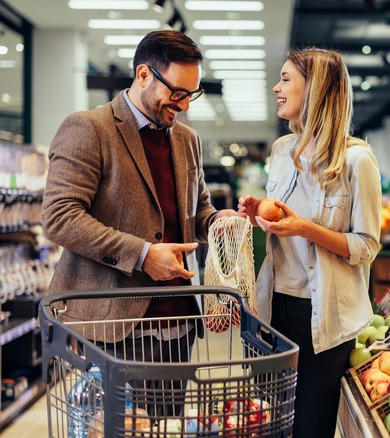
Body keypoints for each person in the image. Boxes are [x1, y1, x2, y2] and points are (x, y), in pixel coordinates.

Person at [42, 30, 243, 418]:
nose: (184, 105)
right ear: (144, 74)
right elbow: (59, 216)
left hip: (178, 323)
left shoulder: (188, 140)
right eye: (178, 92)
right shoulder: (90, 129)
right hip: (114, 326)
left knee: (164, 426)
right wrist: (143, 254)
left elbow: (195, 211)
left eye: (192, 94)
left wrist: (219, 220)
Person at [238, 47, 382, 437]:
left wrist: (306, 229)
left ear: (315, 88)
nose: (276, 88)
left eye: (285, 79)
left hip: (327, 313)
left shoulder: (356, 160)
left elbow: (367, 246)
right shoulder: (281, 152)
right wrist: (257, 214)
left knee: (311, 426)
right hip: (277, 304)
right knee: (276, 421)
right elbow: (281, 221)